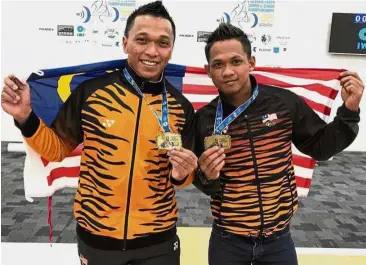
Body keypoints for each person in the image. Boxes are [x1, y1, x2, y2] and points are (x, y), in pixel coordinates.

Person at [1, 2, 198, 265]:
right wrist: (24, 117)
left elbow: (183, 177)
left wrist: (182, 174)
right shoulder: (91, 93)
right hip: (97, 239)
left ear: (171, 49)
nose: (152, 51)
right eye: (142, 40)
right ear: (125, 43)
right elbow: (56, 150)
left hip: (158, 241)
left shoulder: (180, 106)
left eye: (163, 43)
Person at [193, 23, 364, 265]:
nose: (228, 71)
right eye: (218, 64)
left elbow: (321, 147)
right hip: (227, 240)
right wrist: (207, 176)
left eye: (236, 61)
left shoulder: (283, 104)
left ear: (251, 62)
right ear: (208, 71)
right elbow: (204, 183)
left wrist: (349, 111)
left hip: (278, 241)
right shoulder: (204, 120)